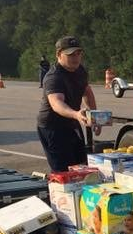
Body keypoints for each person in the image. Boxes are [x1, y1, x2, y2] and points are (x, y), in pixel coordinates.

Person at [36, 36, 98, 172]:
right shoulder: (54, 77)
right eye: (70, 54)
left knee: (81, 165)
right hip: (52, 127)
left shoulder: (80, 70)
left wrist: (95, 116)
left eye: (78, 53)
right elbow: (57, 103)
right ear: (59, 55)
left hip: (71, 122)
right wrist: (76, 114)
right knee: (64, 171)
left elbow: (86, 91)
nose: (76, 58)